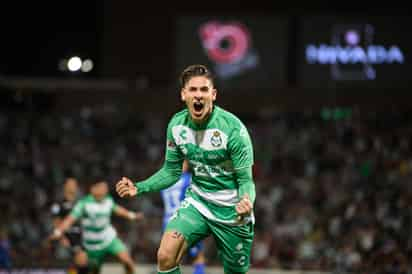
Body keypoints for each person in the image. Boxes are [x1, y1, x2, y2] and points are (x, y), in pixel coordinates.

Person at [116, 64, 256, 274]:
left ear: (213, 94)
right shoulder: (177, 126)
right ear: (184, 95)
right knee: (165, 256)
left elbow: (246, 180)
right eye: (193, 89)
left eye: (204, 90)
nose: (198, 95)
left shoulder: (234, 130)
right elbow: (171, 172)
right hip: (198, 202)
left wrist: (247, 201)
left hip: (232, 211)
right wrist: (140, 187)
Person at [50, 179, 144, 274]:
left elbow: (118, 210)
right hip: (92, 245)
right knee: (94, 271)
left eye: (105, 188)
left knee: (127, 261)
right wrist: (58, 232)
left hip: (109, 239)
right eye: (102, 188)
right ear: (93, 189)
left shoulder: (108, 200)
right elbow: (69, 220)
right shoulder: (84, 204)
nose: (105, 190)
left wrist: (133, 216)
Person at [160, 160, 206, 274]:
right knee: (198, 257)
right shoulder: (188, 178)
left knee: (171, 259)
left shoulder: (163, 182)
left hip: (167, 222)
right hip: (184, 220)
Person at [50, 177, 87, 274]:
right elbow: (56, 222)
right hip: (67, 236)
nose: (73, 187)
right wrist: (62, 238)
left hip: (81, 236)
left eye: (74, 185)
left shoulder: (81, 202)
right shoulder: (58, 203)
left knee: (85, 261)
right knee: (80, 260)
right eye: (70, 184)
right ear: (65, 186)